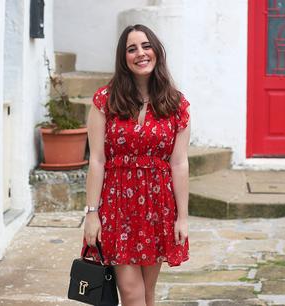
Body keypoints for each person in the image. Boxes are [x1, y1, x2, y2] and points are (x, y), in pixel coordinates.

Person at [83, 24, 190, 306]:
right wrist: (92, 214)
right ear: (124, 58)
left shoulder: (176, 104)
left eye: (146, 46)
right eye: (132, 49)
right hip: (116, 206)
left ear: (156, 52)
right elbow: (97, 160)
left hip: (157, 207)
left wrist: (183, 217)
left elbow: (179, 163)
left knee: (147, 293)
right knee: (131, 293)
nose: (140, 53)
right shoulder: (105, 101)